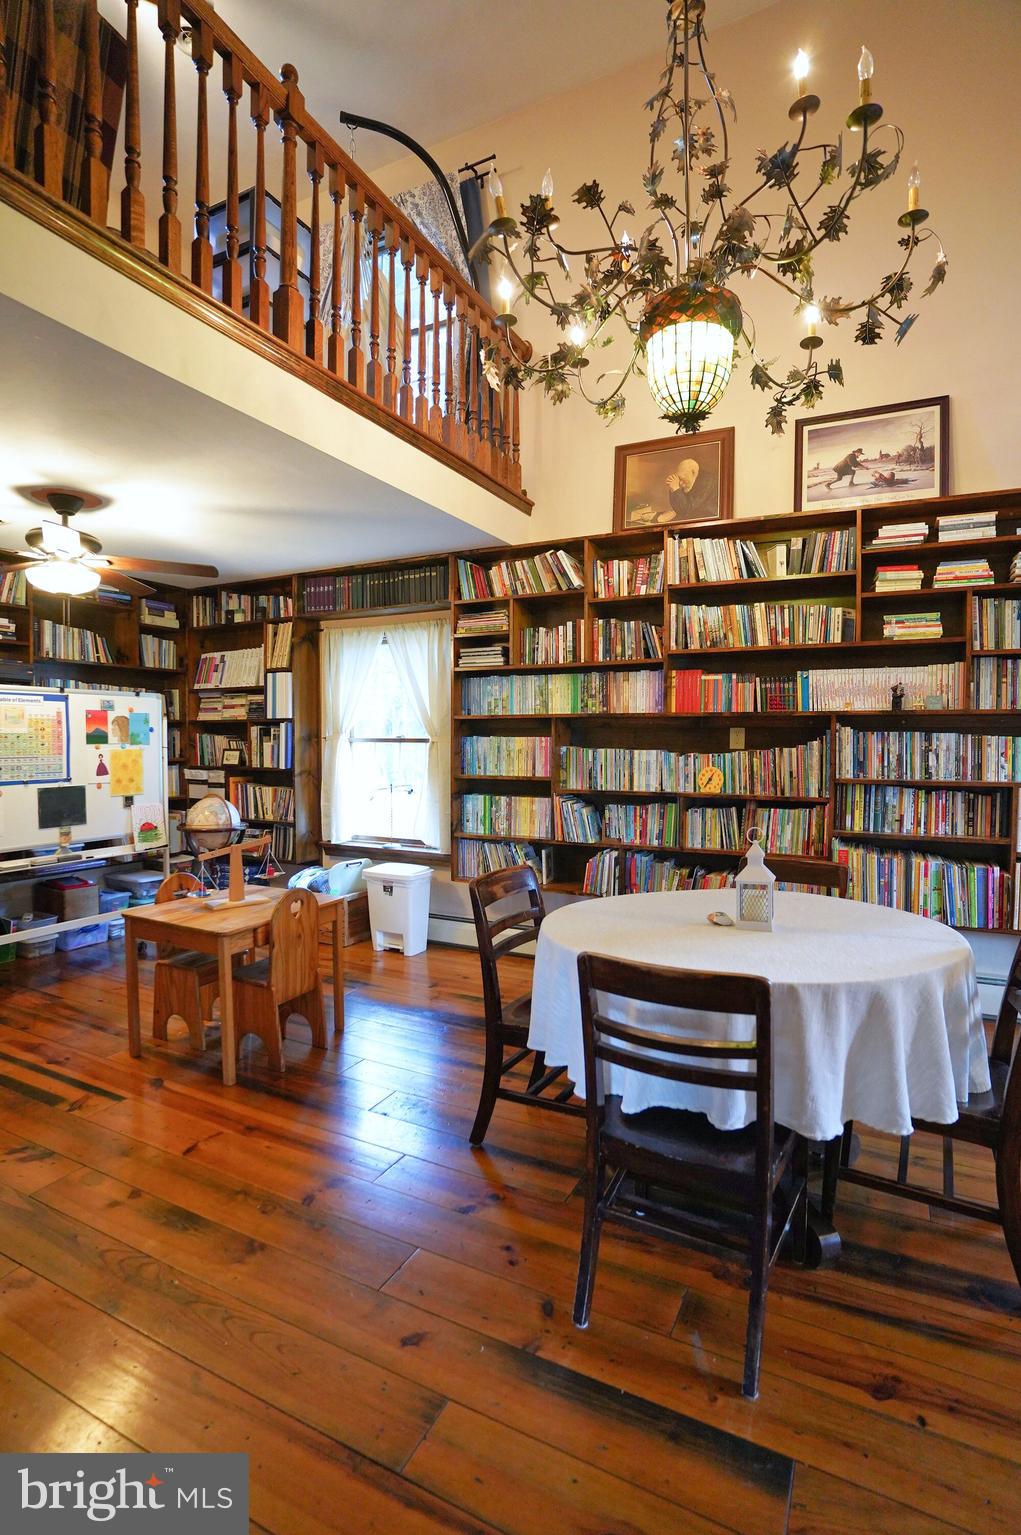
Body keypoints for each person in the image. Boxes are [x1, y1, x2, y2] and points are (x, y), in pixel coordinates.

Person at [665, 457, 716, 521]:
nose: (680, 483)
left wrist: (676, 488)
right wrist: (672, 489)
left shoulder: (707, 481)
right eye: (679, 479)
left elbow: (686, 509)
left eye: (682, 479)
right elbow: (678, 509)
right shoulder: (689, 481)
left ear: (693, 473)